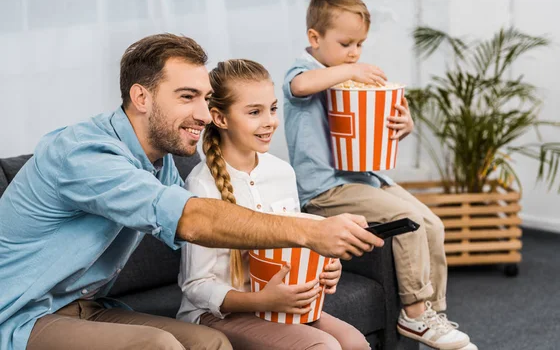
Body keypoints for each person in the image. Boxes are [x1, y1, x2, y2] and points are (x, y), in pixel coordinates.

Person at [0, 34, 383, 350]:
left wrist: (313, 259)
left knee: (210, 344)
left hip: (86, 306)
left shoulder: (160, 163)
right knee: (160, 346)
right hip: (21, 316)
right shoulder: (85, 154)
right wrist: (311, 230)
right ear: (141, 98)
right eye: (187, 97)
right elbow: (192, 218)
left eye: (204, 97)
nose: (203, 114)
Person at [282, 0, 478, 350]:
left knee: (432, 223)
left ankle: (432, 313)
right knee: (408, 218)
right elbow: (301, 86)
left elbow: (365, 133)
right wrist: (349, 69)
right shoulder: (305, 70)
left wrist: (404, 127)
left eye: (360, 44)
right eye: (345, 44)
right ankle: (415, 312)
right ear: (315, 37)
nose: (354, 52)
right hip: (325, 189)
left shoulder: (343, 72)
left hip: (365, 179)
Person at [177, 59, 371, 350]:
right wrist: (261, 300)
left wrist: (326, 267)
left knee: (354, 343)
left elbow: (294, 246)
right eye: (255, 112)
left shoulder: (282, 172)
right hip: (217, 314)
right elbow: (196, 286)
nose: (270, 121)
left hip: (276, 307)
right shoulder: (200, 185)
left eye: (273, 108)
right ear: (220, 118)